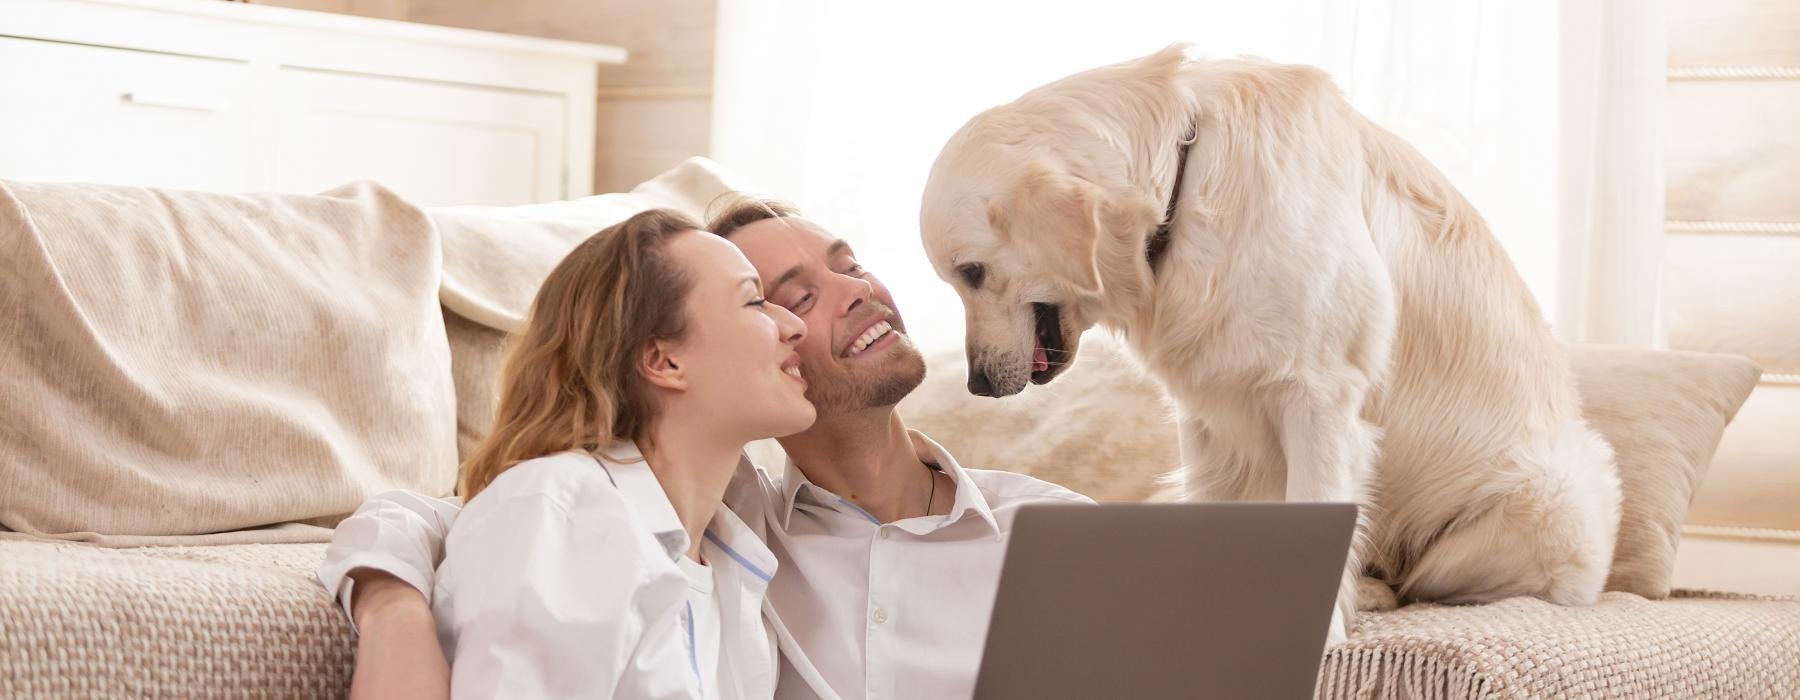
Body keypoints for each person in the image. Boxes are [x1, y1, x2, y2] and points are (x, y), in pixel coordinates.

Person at [318, 195, 1092, 699]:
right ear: (665, 359)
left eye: (850, 263)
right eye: (782, 299)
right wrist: (392, 612)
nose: (853, 291)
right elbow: (447, 513)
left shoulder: (1056, 536)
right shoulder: (707, 521)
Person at [318, 208, 815, 698]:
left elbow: (417, 516)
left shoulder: (732, 552)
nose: (795, 326)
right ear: (664, 360)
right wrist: (391, 610)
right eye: (755, 302)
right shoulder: (566, 505)